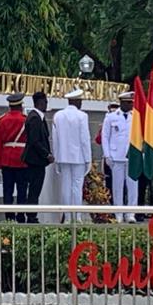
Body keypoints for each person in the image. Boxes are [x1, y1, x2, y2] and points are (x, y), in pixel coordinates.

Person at [52, 89, 91, 222]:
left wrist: (57, 158)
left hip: (63, 156)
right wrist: (88, 159)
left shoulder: (58, 115)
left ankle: (67, 217)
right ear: (77, 101)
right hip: (78, 157)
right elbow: (85, 139)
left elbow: (55, 139)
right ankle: (78, 216)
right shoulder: (82, 116)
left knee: (65, 187)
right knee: (76, 187)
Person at [101, 93, 136, 222]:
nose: (131, 105)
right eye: (128, 103)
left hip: (132, 156)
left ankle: (131, 213)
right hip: (116, 156)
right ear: (122, 103)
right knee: (117, 186)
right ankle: (119, 213)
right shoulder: (111, 117)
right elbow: (105, 136)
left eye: (131, 103)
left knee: (133, 186)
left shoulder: (136, 117)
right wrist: (107, 155)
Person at [0, 93, 30, 222]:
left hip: (6, 159)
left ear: (10, 106)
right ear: (21, 106)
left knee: (7, 191)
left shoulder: (1, 120)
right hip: (22, 159)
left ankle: (9, 217)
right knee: (22, 190)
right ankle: (21, 216)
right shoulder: (26, 119)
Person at [21, 91, 53, 223]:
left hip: (37, 161)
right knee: (34, 189)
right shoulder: (34, 118)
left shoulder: (38, 117)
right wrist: (47, 154)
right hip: (35, 161)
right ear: (40, 103)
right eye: (45, 102)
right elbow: (35, 141)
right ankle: (31, 216)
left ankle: (32, 214)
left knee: (35, 189)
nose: (46, 104)